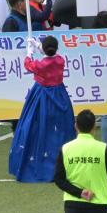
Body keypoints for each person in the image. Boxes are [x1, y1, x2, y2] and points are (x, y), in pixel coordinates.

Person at [9, 35, 77, 182]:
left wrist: (29, 51)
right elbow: (50, 54)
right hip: (59, 95)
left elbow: (28, 64)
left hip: (42, 96)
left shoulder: (41, 65)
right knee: (60, 129)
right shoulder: (60, 60)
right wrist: (38, 45)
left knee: (35, 127)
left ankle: (36, 161)